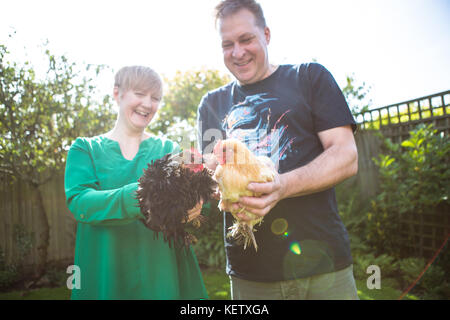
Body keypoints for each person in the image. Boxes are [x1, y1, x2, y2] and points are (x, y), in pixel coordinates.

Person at [197, 0, 359, 299]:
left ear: (267, 35)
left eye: (246, 39)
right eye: (227, 44)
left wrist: (281, 185)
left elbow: (346, 156)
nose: (237, 52)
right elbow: (210, 173)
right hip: (252, 272)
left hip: (323, 264)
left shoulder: (309, 77)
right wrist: (214, 187)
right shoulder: (212, 104)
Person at [64, 66, 207, 299]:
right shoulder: (85, 149)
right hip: (106, 270)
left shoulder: (168, 150)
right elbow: (80, 202)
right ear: (117, 94)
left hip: (161, 270)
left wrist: (195, 204)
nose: (148, 104)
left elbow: (188, 201)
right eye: (140, 94)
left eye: (155, 98)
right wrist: (140, 196)